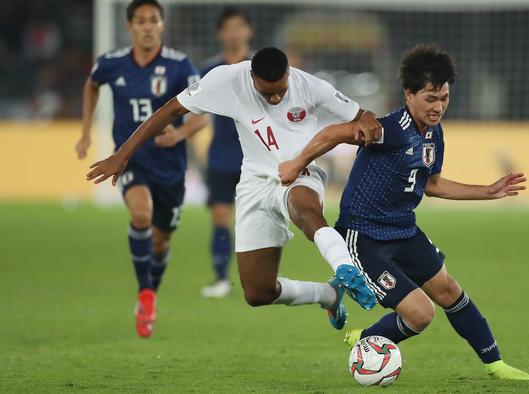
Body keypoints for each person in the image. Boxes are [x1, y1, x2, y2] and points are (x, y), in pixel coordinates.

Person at [278, 44, 529, 380]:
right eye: (430, 98)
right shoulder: (389, 130)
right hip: (363, 237)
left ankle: (495, 364)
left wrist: (486, 191)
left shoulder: (433, 134)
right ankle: (368, 339)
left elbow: (433, 184)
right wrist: (298, 163)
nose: (438, 106)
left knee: (449, 291)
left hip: (403, 230)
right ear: (408, 94)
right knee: (421, 315)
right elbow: (332, 133)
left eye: (444, 97)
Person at [86, 47, 382, 331]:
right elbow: (170, 110)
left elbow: (361, 115)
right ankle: (328, 295)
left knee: (305, 210)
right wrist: (122, 154)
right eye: (269, 93)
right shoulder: (225, 80)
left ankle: (346, 268)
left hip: (299, 173)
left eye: (282, 89)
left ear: (289, 73)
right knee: (258, 292)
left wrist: (368, 119)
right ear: (252, 78)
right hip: (254, 182)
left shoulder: (310, 85)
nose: (277, 97)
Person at [75, 0, 207, 338]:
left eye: (153, 21)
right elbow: (91, 85)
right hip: (131, 161)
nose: (147, 27)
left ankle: (149, 292)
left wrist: (178, 132)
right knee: (141, 214)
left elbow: (203, 114)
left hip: (171, 168)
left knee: (160, 243)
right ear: (129, 26)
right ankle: (146, 294)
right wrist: (87, 131)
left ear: (162, 25)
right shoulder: (112, 63)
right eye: (141, 21)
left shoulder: (179, 66)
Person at [198, 8, 253, 298]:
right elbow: (196, 113)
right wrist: (178, 134)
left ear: (248, 31)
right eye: (229, 28)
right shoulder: (208, 70)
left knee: (261, 218)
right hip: (220, 155)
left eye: (239, 27)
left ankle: (264, 276)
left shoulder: (261, 67)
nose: (234, 33)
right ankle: (221, 279)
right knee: (220, 216)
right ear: (221, 33)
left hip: (255, 156)